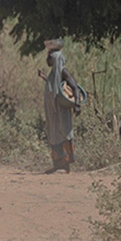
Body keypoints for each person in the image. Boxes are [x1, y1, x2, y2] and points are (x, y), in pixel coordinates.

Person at [40, 38, 80, 174]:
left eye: (50, 58)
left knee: (63, 133)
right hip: (53, 111)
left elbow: (74, 87)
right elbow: (54, 86)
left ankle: (66, 164)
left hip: (61, 110)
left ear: (56, 60)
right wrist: (45, 78)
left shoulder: (64, 72)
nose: (48, 60)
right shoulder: (53, 74)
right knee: (54, 134)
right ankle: (58, 164)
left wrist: (77, 104)